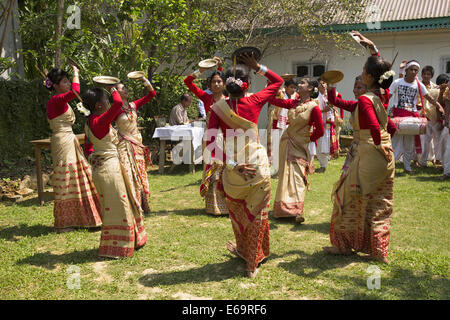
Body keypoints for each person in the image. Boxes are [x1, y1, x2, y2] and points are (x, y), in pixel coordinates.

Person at [205, 52, 289, 278]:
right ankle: (251, 261)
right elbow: (279, 82)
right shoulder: (255, 99)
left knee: (239, 214)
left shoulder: (217, 109)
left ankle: (245, 250)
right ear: (248, 84)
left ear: (225, 86)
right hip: (258, 168)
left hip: (234, 172)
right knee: (258, 215)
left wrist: (233, 164)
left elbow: (211, 145)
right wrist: (258, 65)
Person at [323, 31, 395, 264]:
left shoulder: (365, 100)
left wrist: (376, 143)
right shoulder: (381, 95)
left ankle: (344, 245)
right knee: (379, 202)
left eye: (364, 70)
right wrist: (373, 49)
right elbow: (339, 102)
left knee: (346, 199)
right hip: (385, 154)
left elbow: (374, 127)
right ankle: (378, 250)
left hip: (367, 153)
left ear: (370, 76)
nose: (362, 72)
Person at [83, 86, 147, 259]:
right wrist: (112, 88)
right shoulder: (101, 120)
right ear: (97, 105)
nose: (108, 101)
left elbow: (88, 146)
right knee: (121, 207)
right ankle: (122, 246)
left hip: (100, 169)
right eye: (105, 99)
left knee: (110, 208)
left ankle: (116, 244)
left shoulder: (89, 123)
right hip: (110, 169)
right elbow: (118, 102)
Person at [45, 65, 102, 233]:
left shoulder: (58, 100)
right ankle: (65, 221)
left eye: (68, 80)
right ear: (55, 86)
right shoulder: (56, 100)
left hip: (67, 139)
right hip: (63, 140)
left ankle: (80, 217)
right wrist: (76, 72)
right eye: (64, 81)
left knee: (77, 175)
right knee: (68, 176)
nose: (68, 83)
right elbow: (76, 91)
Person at [270, 77, 324, 222]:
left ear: (310, 88)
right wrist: (273, 87)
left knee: (298, 176)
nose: (298, 85)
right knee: (285, 176)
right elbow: (273, 101)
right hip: (287, 142)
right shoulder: (292, 103)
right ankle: (283, 210)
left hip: (301, 145)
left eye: (302, 83)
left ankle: (297, 211)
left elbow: (320, 131)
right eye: (298, 83)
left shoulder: (314, 107)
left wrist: (308, 138)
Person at [184, 57, 228, 216]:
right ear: (209, 85)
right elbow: (188, 81)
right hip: (210, 137)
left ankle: (225, 204)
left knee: (224, 169)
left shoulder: (228, 101)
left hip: (225, 138)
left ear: (223, 84)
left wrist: (220, 67)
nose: (216, 84)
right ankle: (213, 205)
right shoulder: (206, 98)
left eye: (219, 82)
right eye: (213, 82)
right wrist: (201, 70)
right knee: (212, 167)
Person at [389, 60, 444, 174]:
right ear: (406, 70)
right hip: (398, 115)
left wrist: (439, 106)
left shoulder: (419, 84)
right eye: (411, 69)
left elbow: (429, 98)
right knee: (396, 143)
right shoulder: (397, 82)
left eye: (416, 70)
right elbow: (387, 97)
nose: (414, 72)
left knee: (409, 144)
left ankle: (407, 167)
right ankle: (390, 166)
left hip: (412, 117)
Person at [114, 77, 156, 215]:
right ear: (115, 92)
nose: (126, 90)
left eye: (126, 87)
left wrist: (144, 79)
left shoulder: (133, 105)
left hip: (137, 143)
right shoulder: (114, 109)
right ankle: (131, 205)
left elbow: (152, 94)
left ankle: (143, 204)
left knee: (139, 173)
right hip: (124, 145)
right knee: (128, 173)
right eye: (122, 88)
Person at [418, 66, 442, 167]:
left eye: (428, 74)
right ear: (421, 75)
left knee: (437, 140)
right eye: (424, 74)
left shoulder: (435, 87)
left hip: (434, 117)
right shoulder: (417, 85)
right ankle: (422, 162)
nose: (426, 76)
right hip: (421, 115)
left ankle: (438, 160)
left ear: (432, 76)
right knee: (424, 140)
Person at [315, 80, 335, 173]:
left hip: (328, 124)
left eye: (324, 83)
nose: (322, 84)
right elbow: (313, 109)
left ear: (327, 85)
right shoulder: (315, 96)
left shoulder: (329, 95)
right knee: (319, 145)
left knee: (325, 145)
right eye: (320, 83)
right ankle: (322, 165)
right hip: (318, 123)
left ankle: (324, 165)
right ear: (318, 86)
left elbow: (333, 106)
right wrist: (323, 110)